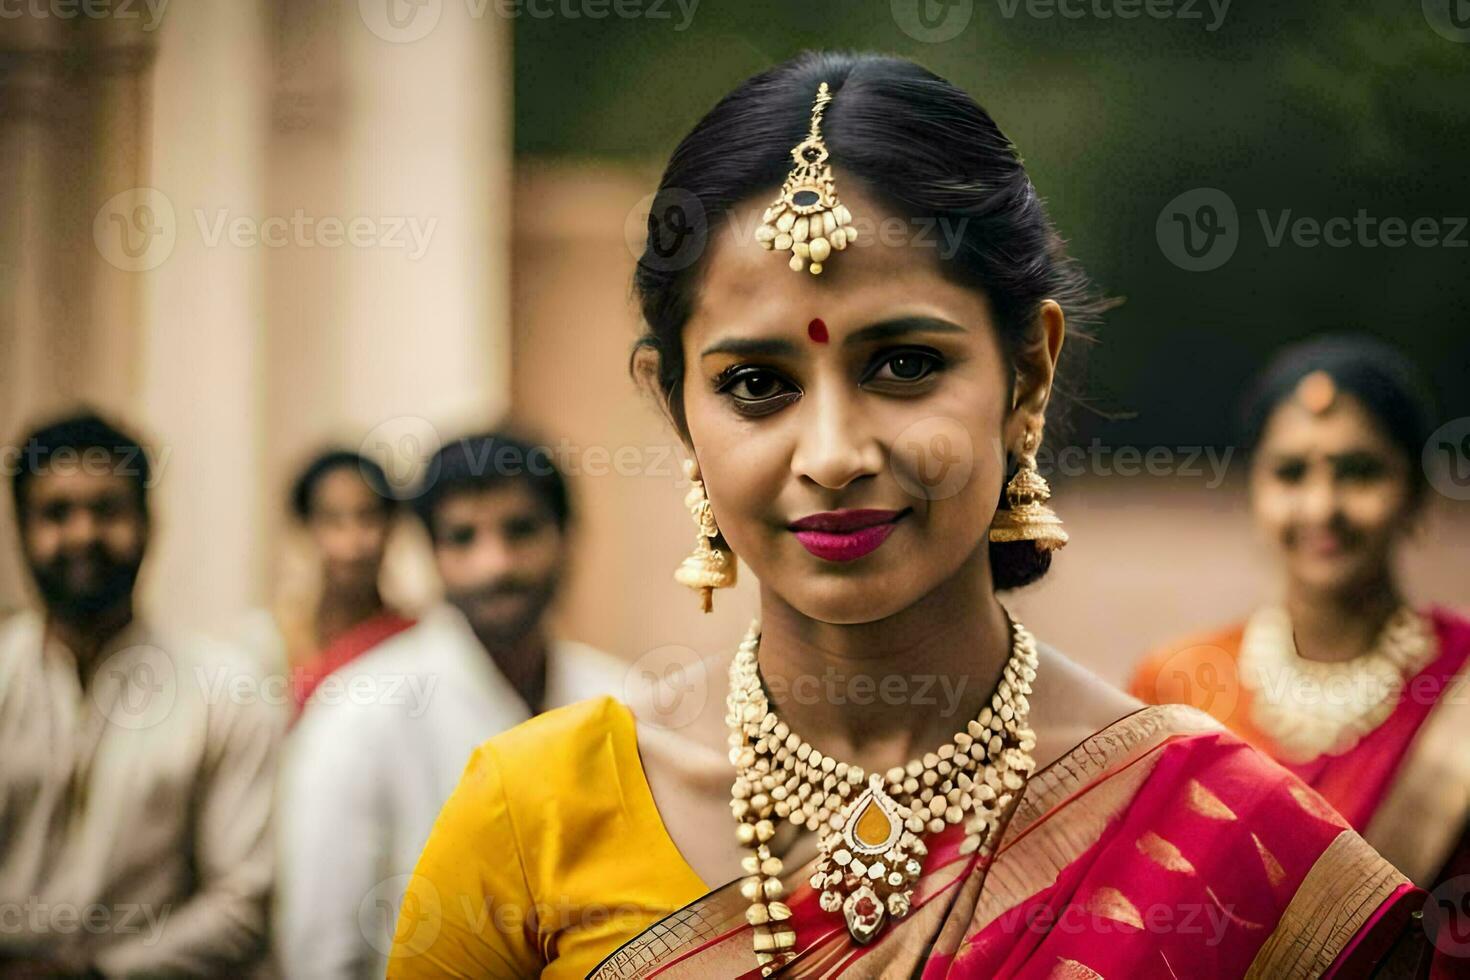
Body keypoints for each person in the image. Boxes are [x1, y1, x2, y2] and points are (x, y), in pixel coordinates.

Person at [387, 54, 1429, 978]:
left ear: (1028, 372)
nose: (834, 453)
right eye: (757, 383)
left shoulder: (1217, 829)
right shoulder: (531, 814)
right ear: (675, 406)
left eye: (904, 364)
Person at [1130, 337, 1470, 959]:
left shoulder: (1461, 686)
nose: (1322, 507)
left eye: (1360, 472)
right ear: (1253, 492)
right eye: (1290, 473)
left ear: (1417, 495)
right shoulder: (1178, 684)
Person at [274, 428, 628, 980]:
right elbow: (321, 952)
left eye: (521, 530)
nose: (496, 564)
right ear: (432, 555)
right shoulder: (358, 710)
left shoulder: (623, 701)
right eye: (463, 538)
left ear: (566, 536)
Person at [0, 411, 280, 977]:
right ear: (21, 532)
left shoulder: (225, 690)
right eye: (57, 513)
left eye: (107, 510)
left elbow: (243, 903)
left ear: (150, 524)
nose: (83, 534)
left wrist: (96, 974)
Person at [242, 449, 415, 716]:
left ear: (391, 526)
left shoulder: (412, 640)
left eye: (367, 518)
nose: (352, 542)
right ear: (306, 529)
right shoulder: (270, 642)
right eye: (333, 521)